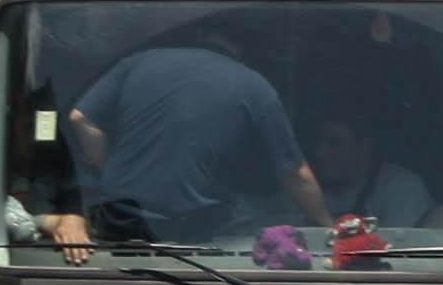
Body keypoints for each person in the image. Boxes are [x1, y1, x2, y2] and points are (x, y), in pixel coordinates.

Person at [47, 20, 335, 253]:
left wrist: (112, 170)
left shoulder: (138, 62)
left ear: (200, 33)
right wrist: (328, 226)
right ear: (248, 48)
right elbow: (295, 174)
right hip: (195, 233)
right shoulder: (255, 87)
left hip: (120, 221)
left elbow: (80, 118)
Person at [305, 106, 433, 228]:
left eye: (334, 144)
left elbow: (401, 247)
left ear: (364, 147)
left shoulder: (402, 188)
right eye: (317, 142)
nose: (320, 153)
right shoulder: (303, 189)